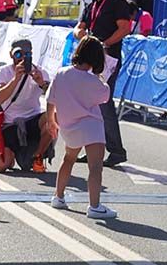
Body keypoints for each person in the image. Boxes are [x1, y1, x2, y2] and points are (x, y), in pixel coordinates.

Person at [46, 36, 118, 220]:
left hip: (68, 125)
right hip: (91, 125)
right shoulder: (93, 80)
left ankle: (58, 196)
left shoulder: (61, 73)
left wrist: (51, 120)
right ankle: (94, 206)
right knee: (95, 167)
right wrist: (102, 77)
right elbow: (105, 96)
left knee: (68, 159)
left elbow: (50, 99)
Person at [73, 0, 132, 168]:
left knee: (103, 103)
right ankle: (92, 147)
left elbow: (125, 28)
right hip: (91, 60)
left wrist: (105, 44)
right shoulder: (92, 4)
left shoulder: (116, 2)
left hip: (108, 60)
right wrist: (80, 34)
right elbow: (79, 27)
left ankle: (116, 150)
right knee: (89, 104)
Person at [0, 39, 56, 173]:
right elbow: (0, 98)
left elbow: (55, 99)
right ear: (11, 54)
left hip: (32, 120)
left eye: (26, 54)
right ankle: (13, 155)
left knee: (54, 117)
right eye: (18, 54)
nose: (21, 58)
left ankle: (38, 156)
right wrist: (16, 79)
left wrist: (41, 83)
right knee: (1, 165)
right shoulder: (3, 71)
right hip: (10, 123)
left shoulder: (40, 72)